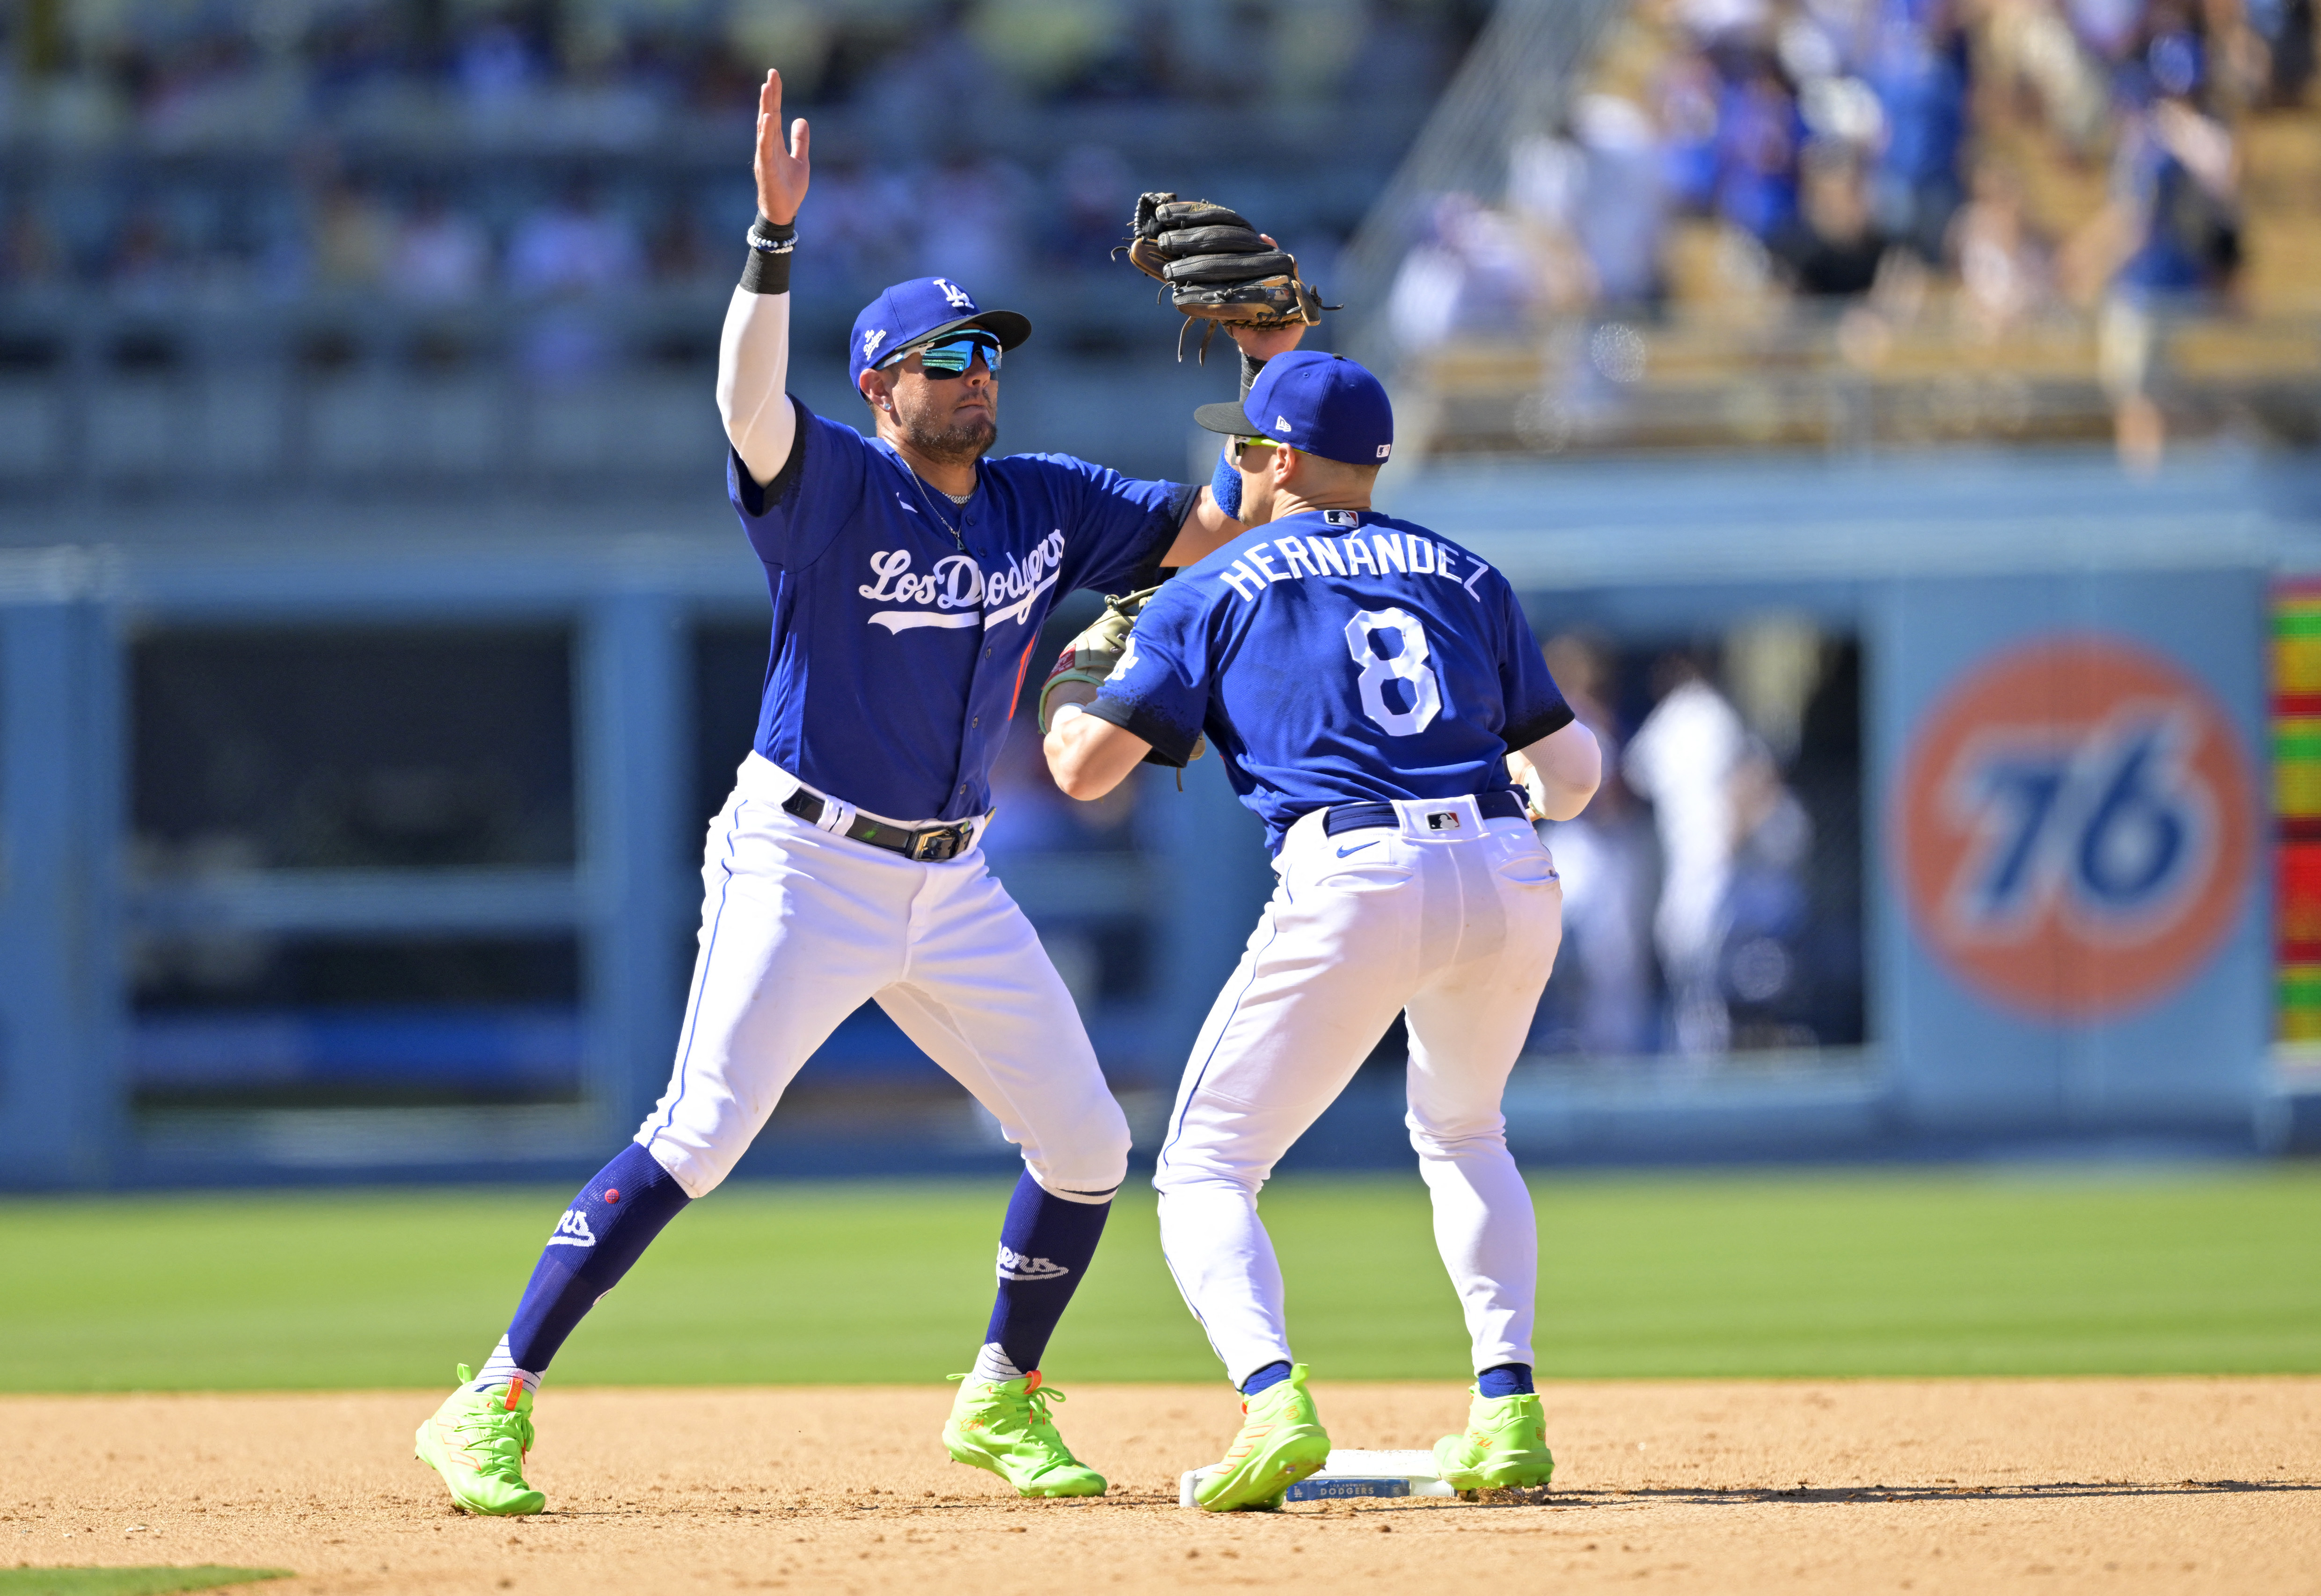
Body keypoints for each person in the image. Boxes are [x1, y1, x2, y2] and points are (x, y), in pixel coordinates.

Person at [413, 67, 1267, 1516]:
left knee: (1089, 1143)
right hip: (802, 860)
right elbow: (748, 395)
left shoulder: (1040, 499)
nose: (976, 374)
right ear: (881, 389)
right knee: (701, 1132)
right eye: (945, 359)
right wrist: (773, 239)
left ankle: (1003, 1392)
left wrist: (1273, 367)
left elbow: (1218, 521)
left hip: (954, 876)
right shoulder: (830, 490)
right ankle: (490, 1395)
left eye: (987, 352)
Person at [1041, 351, 1603, 1511]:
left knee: (1204, 1164)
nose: (1237, 462)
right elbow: (1576, 775)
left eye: (1246, 444)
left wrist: (1080, 664)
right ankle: (1507, 1412)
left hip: (1354, 866)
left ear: (1280, 459)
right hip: (1505, 861)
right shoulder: (1462, 569)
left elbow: (1086, 772)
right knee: (1463, 1130)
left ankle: (1271, 1399)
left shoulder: (1214, 584)